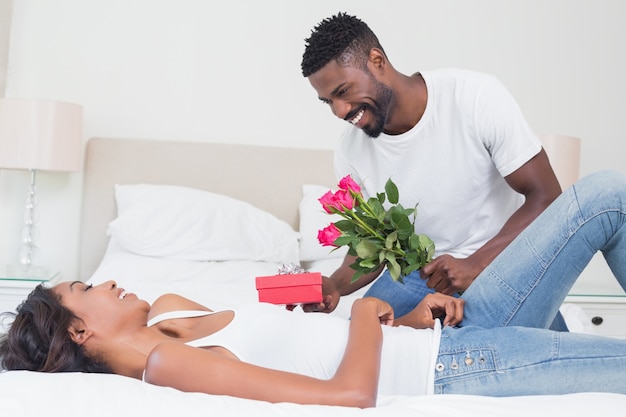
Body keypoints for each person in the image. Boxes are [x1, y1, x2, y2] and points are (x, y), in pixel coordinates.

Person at [1, 170, 626, 407]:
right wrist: (370, 309)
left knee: (604, 196)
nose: (107, 279)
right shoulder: (167, 365)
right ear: (78, 329)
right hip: (458, 366)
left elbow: (309, 326)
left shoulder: (170, 310)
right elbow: (349, 394)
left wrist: (396, 317)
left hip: (439, 327)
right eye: (88, 286)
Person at [300, 12, 564, 322]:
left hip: (501, 263)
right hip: (422, 277)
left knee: (524, 350)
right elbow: (371, 243)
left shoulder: (475, 97)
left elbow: (546, 196)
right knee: (365, 330)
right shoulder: (349, 151)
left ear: (377, 61)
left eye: (343, 92)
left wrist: (474, 265)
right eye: (328, 101)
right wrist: (335, 284)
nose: (339, 111)